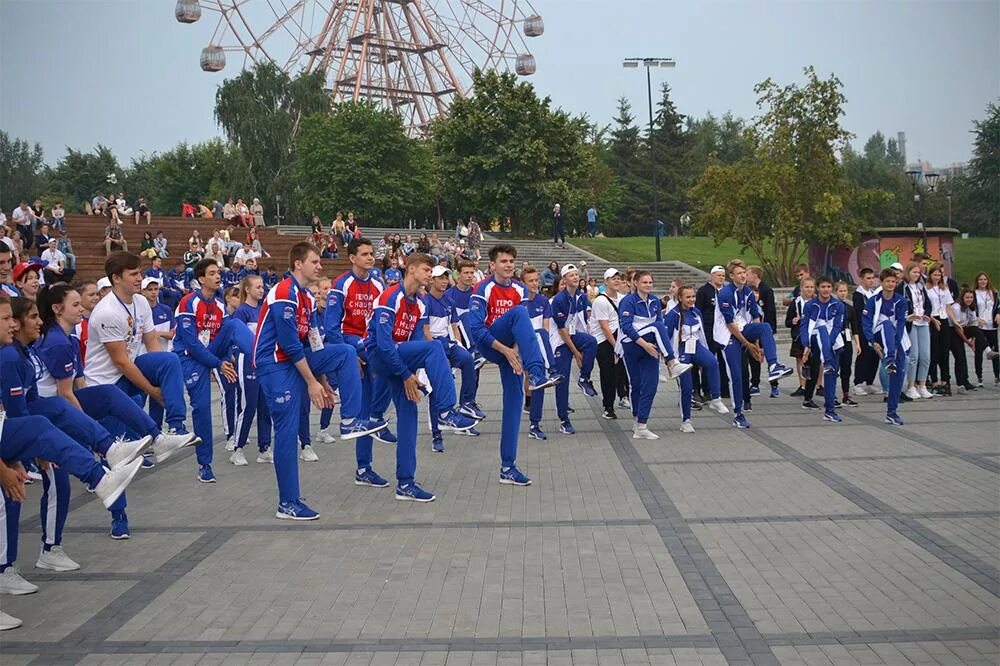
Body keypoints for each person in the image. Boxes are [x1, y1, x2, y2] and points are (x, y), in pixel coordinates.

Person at [253, 242, 384, 520]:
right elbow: (289, 345)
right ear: (298, 264)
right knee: (287, 431)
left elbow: (313, 341)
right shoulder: (283, 292)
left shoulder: (308, 298)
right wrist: (312, 382)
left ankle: (349, 420)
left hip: (297, 359)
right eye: (314, 262)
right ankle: (287, 502)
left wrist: (323, 380)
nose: (320, 266)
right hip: (275, 365)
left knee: (346, 353)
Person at [365, 253, 480, 501]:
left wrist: (411, 376)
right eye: (427, 270)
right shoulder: (390, 296)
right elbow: (384, 346)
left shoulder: (419, 303)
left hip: (400, 361)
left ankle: (405, 483)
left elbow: (415, 343)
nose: (430, 275)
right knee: (435, 346)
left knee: (409, 417)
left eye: (431, 271)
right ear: (412, 269)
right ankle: (447, 411)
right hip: (380, 356)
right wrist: (406, 373)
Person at [467, 244, 564, 486]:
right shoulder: (483, 288)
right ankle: (537, 373)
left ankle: (507, 467)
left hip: (512, 349)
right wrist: (507, 350)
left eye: (511, 261)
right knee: (521, 315)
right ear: (492, 265)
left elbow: (522, 332)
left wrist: (516, 353)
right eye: (503, 261)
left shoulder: (520, 289)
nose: (508, 265)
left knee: (514, 404)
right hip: (490, 343)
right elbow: (476, 330)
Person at [84, 253, 196, 446]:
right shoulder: (107, 312)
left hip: (128, 370)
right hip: (107, 381)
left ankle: (176, 425)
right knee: (121, 446)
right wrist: (152, 390)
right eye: (133, 274)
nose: (139, 278)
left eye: (140, 273)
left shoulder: (141, 301)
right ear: (116, 278)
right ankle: (151, 440)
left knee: (169, 360)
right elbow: (120, 362)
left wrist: (159, 375)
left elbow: (151, 340)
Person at [172, 259, 254, 483]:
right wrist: (218, 364)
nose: (218, 276)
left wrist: (229, 357)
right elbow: (192, 344)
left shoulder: (219, 305)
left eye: (218, 272)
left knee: (235, 325)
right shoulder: (188, 302)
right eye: (212, 273)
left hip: (212, 353)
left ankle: (262, 358)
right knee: (201, 409)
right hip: (190, 358)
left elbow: (225, 339)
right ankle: (205, 464)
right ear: (201, 279)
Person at [323, 237, 396, 479]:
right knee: (386, 370)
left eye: (371, 253)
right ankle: (364, 464)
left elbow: (380, 321)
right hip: (350, 341)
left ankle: (365, 463)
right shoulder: (341, 284)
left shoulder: (377, 284)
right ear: (353, 258)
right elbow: (331, 326)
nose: (370, 257)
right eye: (364, 254)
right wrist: (349, 354)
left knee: (390, 368)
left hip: (369, 342)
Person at [715, 260, 794, 428]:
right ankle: (738, 414)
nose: (743, 276)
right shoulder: (725, 294)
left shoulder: (749, 293)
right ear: (731, 276)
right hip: (728, 336)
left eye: (744, 273)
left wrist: (756, 344)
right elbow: (730, 324)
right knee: (736, 376)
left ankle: (773, 366)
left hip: (743, 329)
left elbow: (755, 317)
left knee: (765, 326)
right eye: (739, 273)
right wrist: (748, 345)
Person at [618, 271, 693, 439]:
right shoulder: (627, 302)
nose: (648, 285)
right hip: (633, 345)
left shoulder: (654, 302)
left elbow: (659, 323)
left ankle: (641, 425)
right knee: (635, 385)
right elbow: (627, 327)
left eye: (650, 282)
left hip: (651, 346)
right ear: (635, 283)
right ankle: (672, 363)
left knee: (650, 386)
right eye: (644, 282)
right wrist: (644, 345)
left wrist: (657, 348)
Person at [424, 264, 485, 452]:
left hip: (447, 344)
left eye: (445, 278)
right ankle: (436, 434)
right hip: (433, 347)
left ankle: (466, 402)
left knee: (468, 359)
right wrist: (436, 351)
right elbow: (425, 331)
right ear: (431, 280)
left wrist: (458, 345)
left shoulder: (448, 301)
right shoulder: (425, 301)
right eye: (439, 278)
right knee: (436, 390)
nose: (443, 281)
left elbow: (454, 326)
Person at [664, 285, 729, 432]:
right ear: (680, 298)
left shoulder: (696, 312)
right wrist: (670, 360)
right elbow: (666, 338)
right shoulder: (673, 315)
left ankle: (715, 398)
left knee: (712, 362)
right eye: (688, 297)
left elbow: (702, 334)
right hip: (681, 351)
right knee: (687, 387)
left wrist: (704, 351)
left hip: (696, 346)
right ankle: (686, 420)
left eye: (693, 296)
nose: (691, 300)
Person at [546, 263, 598, 435]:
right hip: (561, 341)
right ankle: (564, 419)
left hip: (574, 335)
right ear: (564, 279)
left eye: (577, 275)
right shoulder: (558, 300)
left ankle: (584, 378)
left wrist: (582, 347)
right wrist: (576, 352)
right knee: (563, 379)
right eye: (572, 275)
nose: (576, 277)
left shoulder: (581, 297)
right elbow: (562, 331)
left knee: (591, 342)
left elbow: (584, 321)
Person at [229, 275, 272, 465]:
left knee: (265, 406)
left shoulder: (263, 310)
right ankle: (237, 448)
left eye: (262, 287)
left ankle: (265, 448)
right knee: (249, 405)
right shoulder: (242, 312)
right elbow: (235, 338)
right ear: (247, 289)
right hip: (246, 360)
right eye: (257, 287)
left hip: (262, 361)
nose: (261, 290)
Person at [862, 269, 909, 425]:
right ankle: (890, 359)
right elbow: (867, 323)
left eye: (893, 282)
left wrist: (896, 345)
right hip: (877, 335)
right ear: (881, 283)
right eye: (887, 281)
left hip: (894, 339)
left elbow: (901, 324)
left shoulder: (901, 301)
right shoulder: (873, 301)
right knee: (886, 324)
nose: (890, 284)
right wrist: (871, 341)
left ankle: (892, 412)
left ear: (896, 283)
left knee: (899, 374)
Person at [799, 276, 844, 421]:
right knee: (822, 328)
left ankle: (830, 411)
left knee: (831, 377)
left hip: (832, 342)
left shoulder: (838, 305)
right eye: (823, 287)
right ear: (818, 288)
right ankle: (828, 362)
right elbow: (804, 325)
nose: (826, 290)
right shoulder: (810, 305)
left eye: (829, 287)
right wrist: (806, 344)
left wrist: (829, 343)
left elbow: (838, 326)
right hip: (815, 339)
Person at [590, 268, 631, 420]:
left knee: (622, 372)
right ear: (606, 281)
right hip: (604, 341)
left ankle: (624, 397)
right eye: (613, 278)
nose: (616, 281)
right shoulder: (600, 301)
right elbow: (604, 327)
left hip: (619, 337)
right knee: (608, 374)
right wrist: (616, 347)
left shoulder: (623, 298)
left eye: (618, 278)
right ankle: (608, 406)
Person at [900, 262, 934, 400]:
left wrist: (927, 314)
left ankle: (922, 385)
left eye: (918, 272)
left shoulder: (921, 286)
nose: (916, 275)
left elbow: (928, 303)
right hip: (911, 323)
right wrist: (908, 316)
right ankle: (911, 386)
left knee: (925, 356)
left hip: (923, 323)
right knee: (913, 356)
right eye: (914, 272)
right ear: (908, 272)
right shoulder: (902, 287)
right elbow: (900, 304)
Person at [695, 266, 729, 401]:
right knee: (709, 359)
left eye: (723, 275)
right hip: (708, 330)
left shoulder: (726, 291)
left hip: (724, 330)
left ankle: (724, 388)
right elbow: (698, 310)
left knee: (723, 359)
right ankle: (707, 389)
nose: (721, 278)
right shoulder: (704, 291)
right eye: (718, 275)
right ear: (712, 276)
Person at [746, 266, 779, 398]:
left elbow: (771, 312)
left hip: (766, 329)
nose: (746, 277)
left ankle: (774, 385)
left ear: (755, 275)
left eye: (747, 274)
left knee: (770, 356)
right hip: (754, 329)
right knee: (755, 356)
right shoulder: (748, 291)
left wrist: (771, 330)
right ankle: (755, 384)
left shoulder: (766, 290)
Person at [852, 268, 882, 396]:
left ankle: (869, 382)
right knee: (863, 355)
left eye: (872, 278)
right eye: (868, 278)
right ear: (862, 279)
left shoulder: (873, 293)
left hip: (874, 328)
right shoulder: (858, 295)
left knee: (874, 355)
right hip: (863, 329)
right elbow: (859, 314)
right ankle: (858, 382)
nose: (871, 281)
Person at [833, 281, 860, 407]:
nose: (843, 293)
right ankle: (831, 395)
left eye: (844, 291)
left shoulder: (849, 308)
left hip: (847, 339)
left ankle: (845, 395)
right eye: (840, 291)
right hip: (835, 339)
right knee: (834, 368)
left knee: (846, 368)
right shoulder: (832, 306)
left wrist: (858, 344)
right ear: (835, 292)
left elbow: (855, 327)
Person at [973, 272, 999, 386]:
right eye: (980, 279)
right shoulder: (974, 293)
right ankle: (979, 377)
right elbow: (970, 308)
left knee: (995, 352)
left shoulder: (993, 293)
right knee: (979, 352)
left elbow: (998, 306)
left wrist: (998, 314)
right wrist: (976, 318)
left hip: (991, 326)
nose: (983, 281)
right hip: (980, 326)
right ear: (977, 281)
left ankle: (997, 376)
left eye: (984, 279)